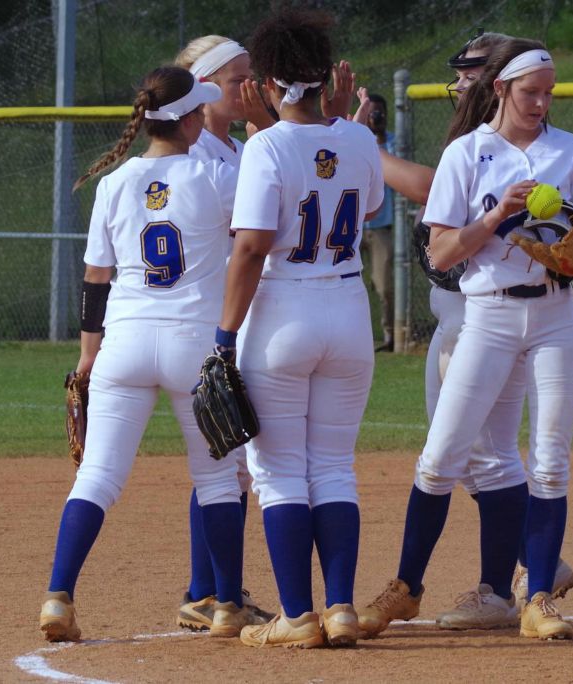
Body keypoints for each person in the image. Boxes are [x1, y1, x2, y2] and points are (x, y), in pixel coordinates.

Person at [359, 38, 573, 641]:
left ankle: (538, 598)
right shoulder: (466, 154)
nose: (541, 103)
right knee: (441, 457)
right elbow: (443, 250)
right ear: (500, 89)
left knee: (550, 463)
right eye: (530, 92)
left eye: (549, 93)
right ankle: (405, 588)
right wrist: (498, 217)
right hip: (488, 316)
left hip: (555, 316)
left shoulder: (569, 150)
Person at [38, 66, 264, 642]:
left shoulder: (113, 183)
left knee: (98, 476)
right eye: (199, 111)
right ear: (189, 121)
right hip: (193, 344)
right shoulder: (216, 176)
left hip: (124, 341)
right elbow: (259, 235)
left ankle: (59, 597)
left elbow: (96, 278)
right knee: (218, 479)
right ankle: (226, 606)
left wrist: (87, 357)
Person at [212, 8, 384, 649]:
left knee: (279, 472)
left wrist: (224, 335)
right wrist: (339, 124)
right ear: (325, 79)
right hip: (348, 309)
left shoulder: (264, 146)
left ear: (267, 82)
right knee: (334, 467)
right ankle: (341, 610)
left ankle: (297, 617)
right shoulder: (359, 139)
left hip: (283, 311)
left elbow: (252, 247)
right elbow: (368, 206)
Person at [170, 33, 275, 634]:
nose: (249, 87)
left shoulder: (233, 147)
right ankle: (207, 591)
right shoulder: (198, 156)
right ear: (205, 89)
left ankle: (209, 589)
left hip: (245, 317)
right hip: (215, 319)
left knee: (230, 461)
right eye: (237, 79)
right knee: (225, 459)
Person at [357, 92, 396, 352]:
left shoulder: (393, 142)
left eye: (380, 112)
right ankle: (356, 337)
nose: (376, 116)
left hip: (381, 225)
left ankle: (391, 336)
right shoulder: (354, 138)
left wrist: (379, 140)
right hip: (354, 226)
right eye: (371, 112)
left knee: (384, 286)